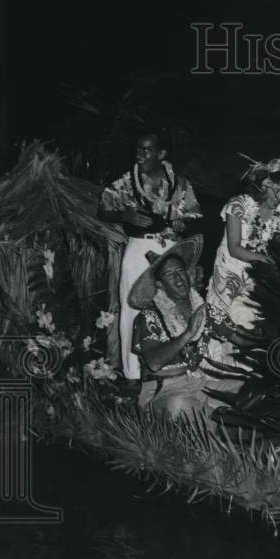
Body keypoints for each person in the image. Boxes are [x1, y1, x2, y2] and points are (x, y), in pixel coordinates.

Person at [99, 133, 202, 385]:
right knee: (133, 305)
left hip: (170, 248)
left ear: (161, 154)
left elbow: (195, 215)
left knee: (173, 301)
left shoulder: (179, 184)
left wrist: (182, 222)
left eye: (147, 150)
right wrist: (125, 216)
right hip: (138, 247)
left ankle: (174, 363)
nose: (140, 154)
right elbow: (103, 209)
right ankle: (133, 373)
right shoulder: (127, 181)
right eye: (138, 149)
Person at [204, 155, 280, 366]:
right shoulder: (238, 205)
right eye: (276, 189)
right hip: (230, 269)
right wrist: (263, 258)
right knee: (221, 320)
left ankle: (244, 369)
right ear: (263, 185)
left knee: (250, 319)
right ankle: (215, 368)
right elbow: (234, 248)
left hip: (259, 273)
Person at [128, 237, 238, 425]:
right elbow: (154, 363)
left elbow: (238, 337)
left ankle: (226, 428)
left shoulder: (200, 307)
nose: (178, 279)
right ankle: (217, 434)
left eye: (180, 271)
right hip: (162, 390)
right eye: (169, 275)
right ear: (160, 285)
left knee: (246, 389)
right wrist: (188, 333)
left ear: (189, 274)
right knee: (180, 406)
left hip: (197, 383)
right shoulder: (149, 316)